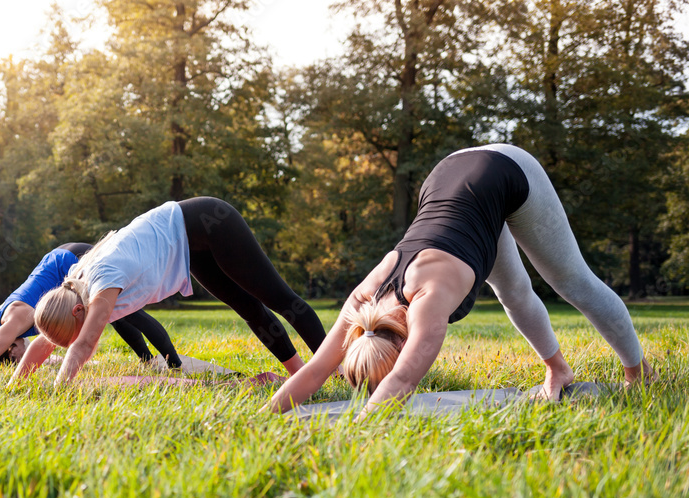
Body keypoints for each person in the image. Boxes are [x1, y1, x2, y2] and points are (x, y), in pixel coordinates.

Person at [266, 144, 656, 416]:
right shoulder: (359, 305)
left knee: (571, 282)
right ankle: (559, 368)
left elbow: (402, 378)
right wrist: (265, 418)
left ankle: (639, 374)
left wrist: (356, 431)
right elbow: (316, 370)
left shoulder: (428, 303)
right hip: (448, 174)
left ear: (404, 342)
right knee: (513, 292)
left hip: (505, 169)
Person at [11, 197, 326, 385]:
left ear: (78, 311)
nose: (69, 344)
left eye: (72, 333)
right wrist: (16, 385)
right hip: (189, 246)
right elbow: (46, 340)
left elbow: (84, 344)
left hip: (209, 222)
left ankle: (340, 368)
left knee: (279, 298)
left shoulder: (102, 282)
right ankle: (301, 374)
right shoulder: (71, 290)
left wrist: (60, 390)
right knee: (248, 308)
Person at [0, 243, 183, 367]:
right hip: (56, 261)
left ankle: (173, 364)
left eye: (15, 358)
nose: (21, 359)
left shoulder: (12, 323)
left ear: (11, 349)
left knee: (126, 312)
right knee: (117, 315)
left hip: (71, 261)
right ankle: (149, 360)